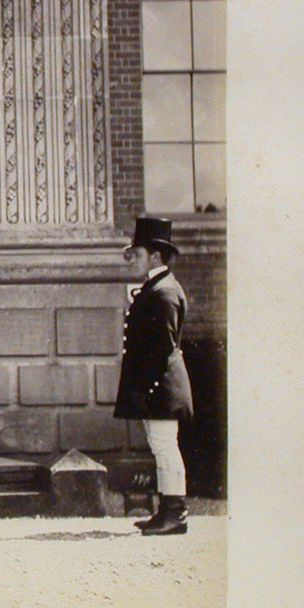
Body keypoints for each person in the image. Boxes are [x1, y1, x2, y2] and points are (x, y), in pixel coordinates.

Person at [114, 216, 193, 536]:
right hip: (155, 385)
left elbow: (161, 349)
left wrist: (146, 388)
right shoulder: (157, 287)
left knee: (164, 446)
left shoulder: (165, 292)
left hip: (161, 386)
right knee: (159, 445)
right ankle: (167, 511)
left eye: (137, 253)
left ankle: (176, 514)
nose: (132, 259)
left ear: (156, 256)